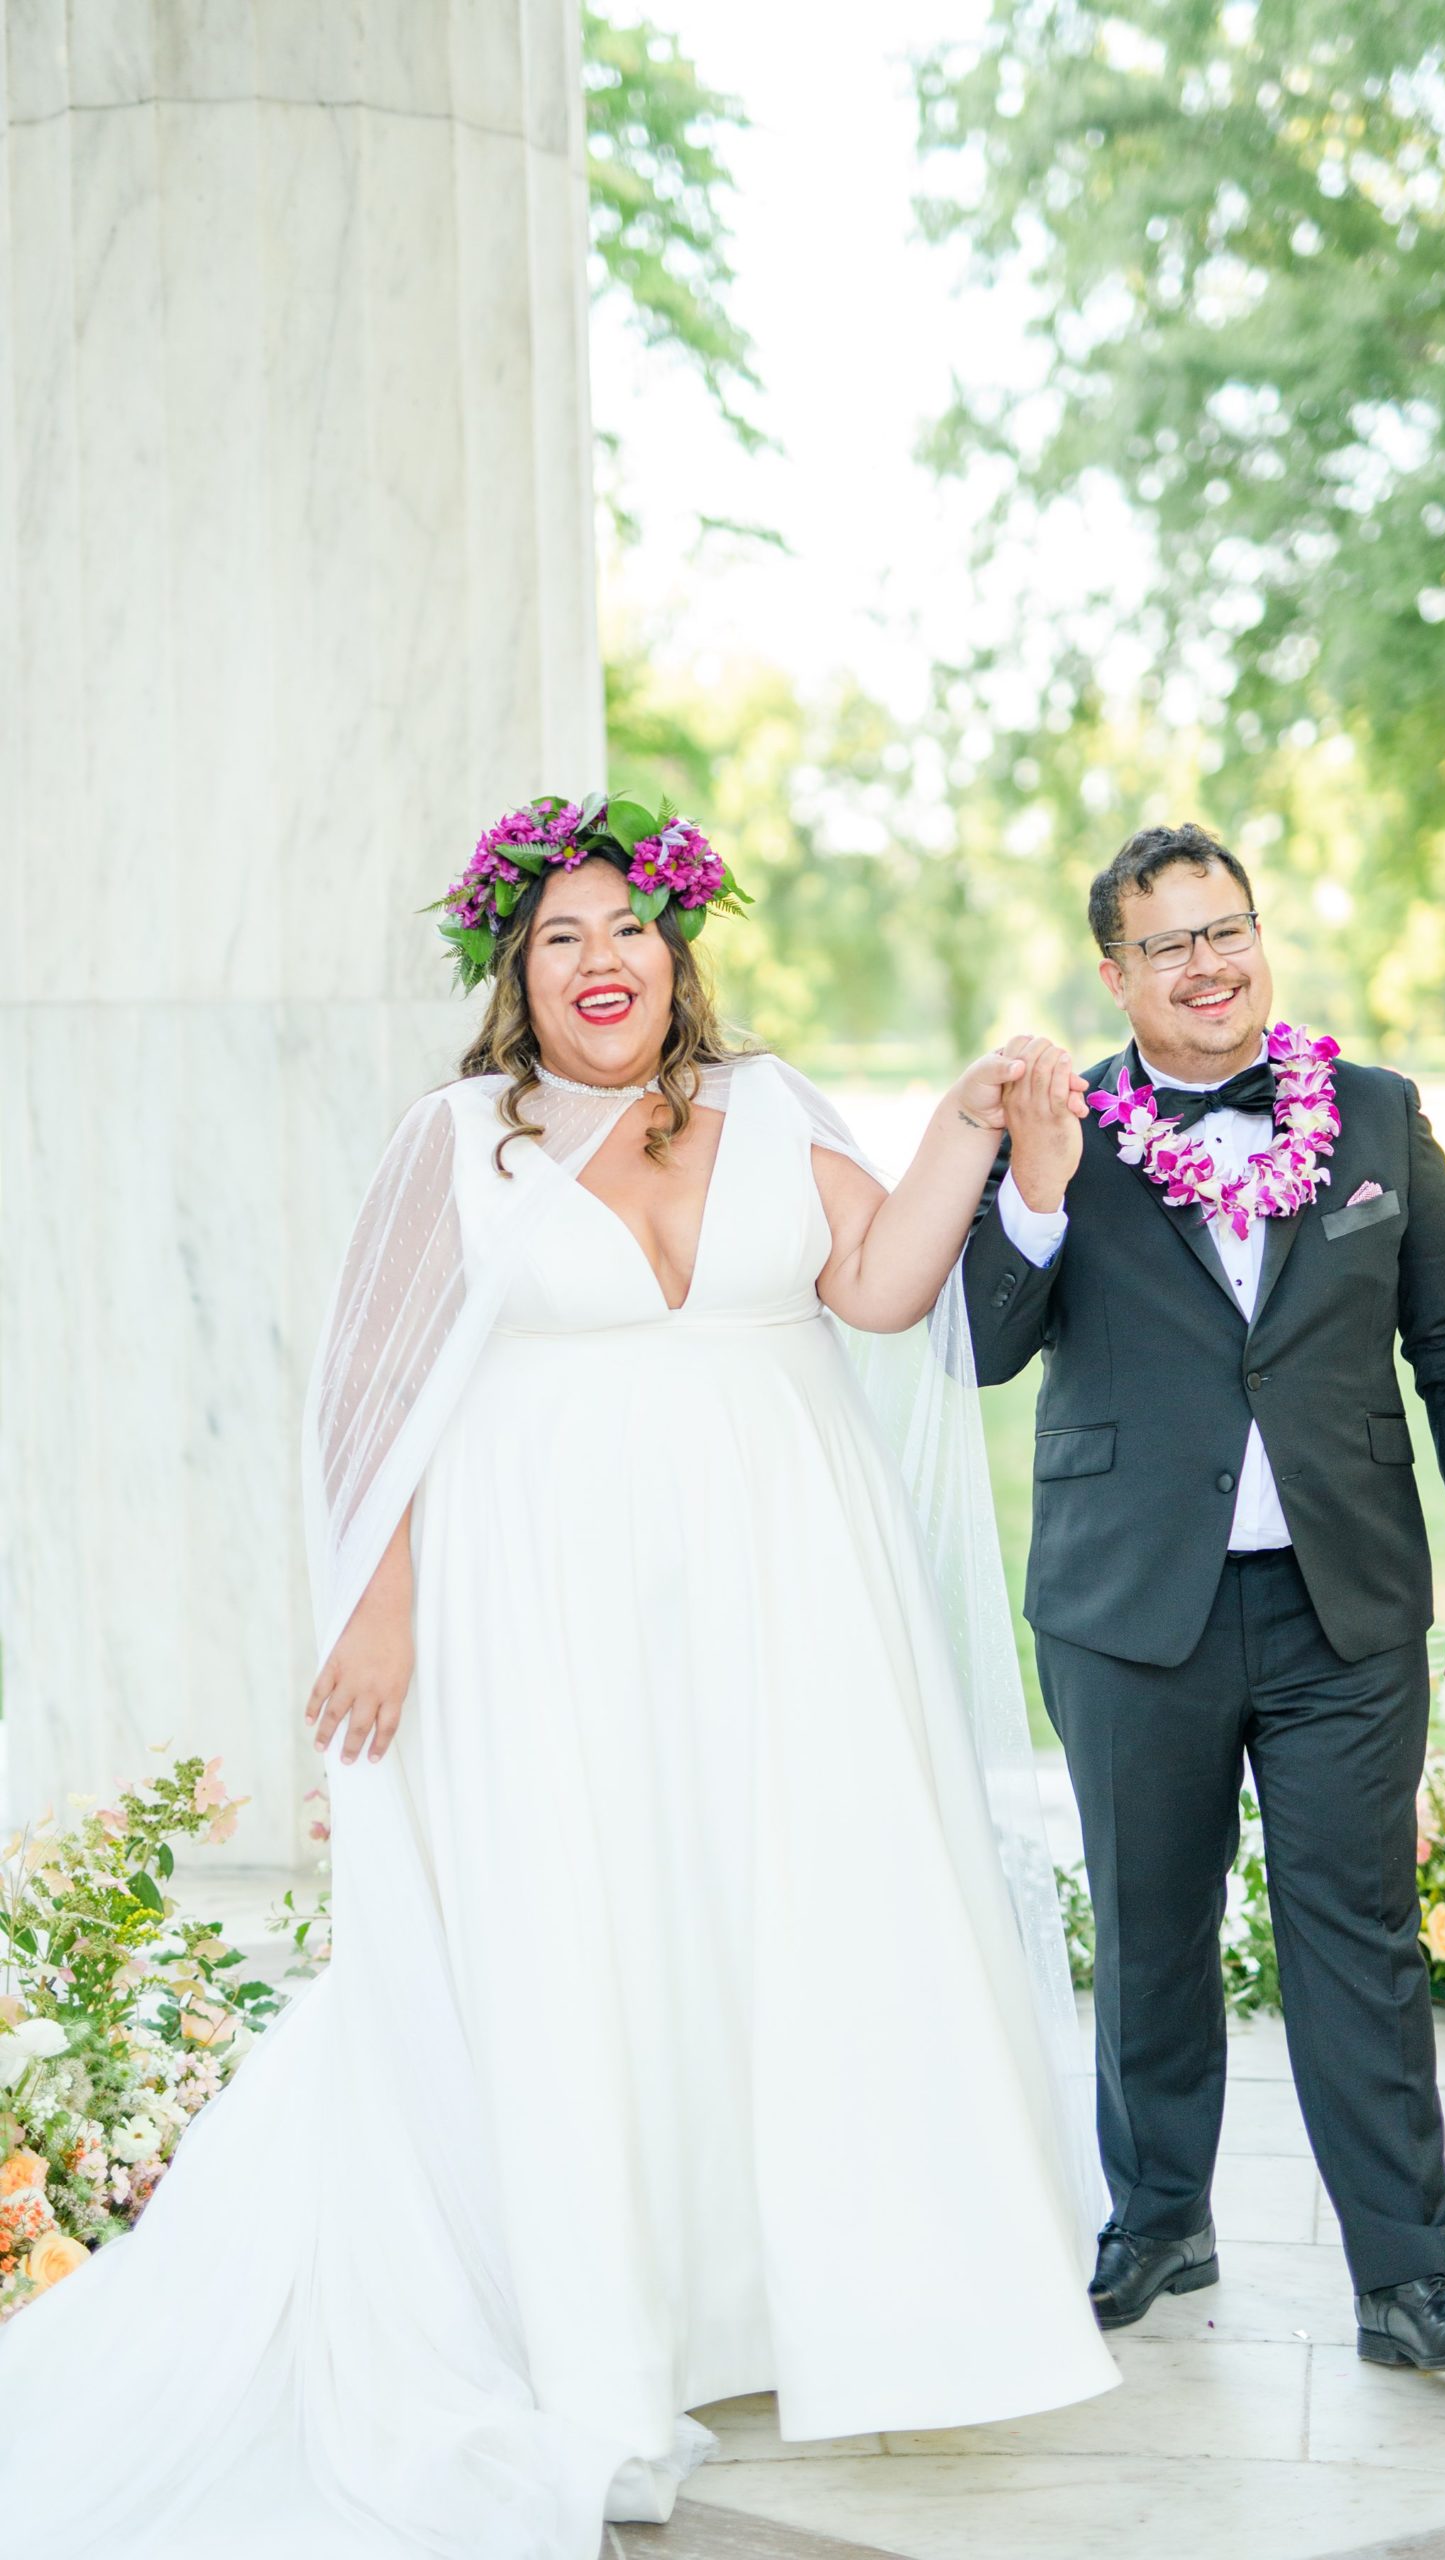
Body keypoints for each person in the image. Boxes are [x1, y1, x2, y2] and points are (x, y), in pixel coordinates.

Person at [0, 795, 1115, 2560]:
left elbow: (882, 1289)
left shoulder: (773, 1112)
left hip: (784, 1603)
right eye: (560, 939)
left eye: (631, 929)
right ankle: (608, 2314)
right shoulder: (461, 1142)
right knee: (586, 1925)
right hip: (549, 1619)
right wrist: (376, 1609)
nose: (602, 964)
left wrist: (968, 1133)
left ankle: (782, 2298)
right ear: (516, 975)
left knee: (776, 1915)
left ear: (683, 950)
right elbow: (364, 1400)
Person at [961, 820, 1445, 2376]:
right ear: (1112, 970)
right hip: (1123, 1605)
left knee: (1353, 1933)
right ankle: (1156, 2218)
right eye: (1167, 942)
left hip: (1339, 1605)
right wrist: (1030, 1179)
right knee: (1147, 1930)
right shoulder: (1057, 1119)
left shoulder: (1369, 1113)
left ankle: (1407, 2281)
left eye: (1227, 929)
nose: (1207, 963)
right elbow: (983, 1341)